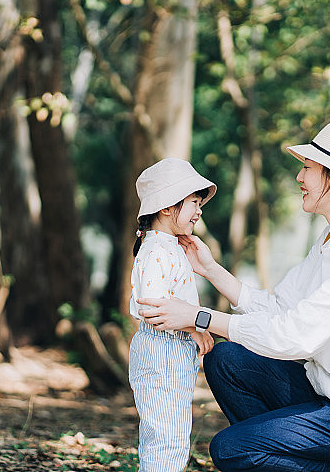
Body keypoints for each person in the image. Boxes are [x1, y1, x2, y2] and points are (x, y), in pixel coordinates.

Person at [137, 121, 330, 472]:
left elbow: (294, 337)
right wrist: (210, 269)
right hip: (324, 395)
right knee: (226, 360)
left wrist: (199, 316)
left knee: (231, 449)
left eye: (308, 168)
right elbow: (279, 309)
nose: (300, 177)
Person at [128, 158, 217, 472]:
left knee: (175, 434)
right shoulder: (155, 250)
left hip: (173, 350)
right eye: (194, 202)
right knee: (164, 435)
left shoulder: (170, 246)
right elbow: (153, 306)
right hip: (161, 349)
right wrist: (194, 326)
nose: (199, 211)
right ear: (167, 207)